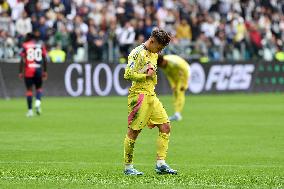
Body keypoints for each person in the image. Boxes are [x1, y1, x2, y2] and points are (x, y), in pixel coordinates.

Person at [123, 28, 177, 175]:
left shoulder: (154, 53)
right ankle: (128, 167)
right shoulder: (137, 53)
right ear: (152, 41)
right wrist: (144, 75)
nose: (159, 51)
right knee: (134, 132)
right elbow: (127, 74)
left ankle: (161, 164)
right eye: (159, 48)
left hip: (151, 95)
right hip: (139, 96)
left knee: (165, 126)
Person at [19, 33, 48, 117]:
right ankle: (38, 103)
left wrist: (20, 72)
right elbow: (45, 58)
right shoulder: (40, 45)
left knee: (29, 90)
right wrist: (45, 71)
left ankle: (30, 111)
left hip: (29, 71)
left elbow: (22, 59)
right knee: (39, 88)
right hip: (38, 70)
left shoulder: (25, 45)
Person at [157, 54, 190, 121]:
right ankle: (176, 114)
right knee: (175, 93)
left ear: (164, 61)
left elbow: (186, 70)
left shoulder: (173, 62)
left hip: (183, 74)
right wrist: (173, 85)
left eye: (161, 65)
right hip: (175, 76)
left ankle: (177, 114)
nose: (161, 67)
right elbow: (168, 75)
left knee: (179, 92)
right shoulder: (162, 65)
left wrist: (185, 84)